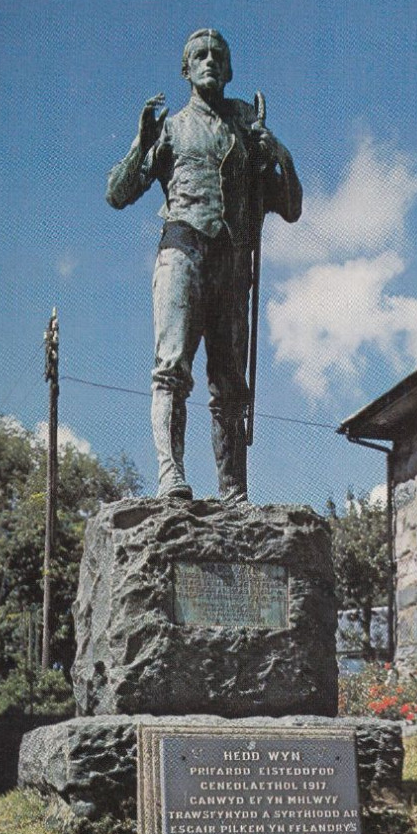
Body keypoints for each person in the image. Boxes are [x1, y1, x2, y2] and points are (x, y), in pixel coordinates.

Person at [106, 28, 302, 503]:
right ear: (186, 70)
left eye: (218, 55)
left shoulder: (247, 129)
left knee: (231, 381)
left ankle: (233, 489)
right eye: (200, 55)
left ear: (229, 70)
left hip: (233, 262)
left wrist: (277, 155)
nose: (210, 61)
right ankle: (170, 474)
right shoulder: (170, 127)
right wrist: (140, 143)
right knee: (172, 366)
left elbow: (291, 207)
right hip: (182, 251)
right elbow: (117, 192)